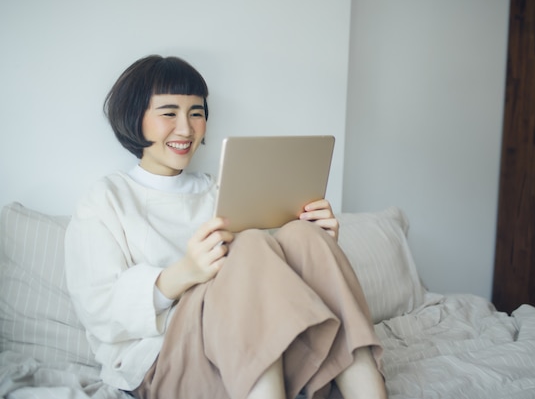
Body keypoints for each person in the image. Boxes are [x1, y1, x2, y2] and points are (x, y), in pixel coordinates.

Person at [64, 55, 387, 399]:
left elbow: (274, 281)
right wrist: (184, 273)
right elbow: (98, 308)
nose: (186, 129)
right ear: (135, 116)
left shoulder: (221, 189)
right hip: (162, 362)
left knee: (303, 235)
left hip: (242, 344)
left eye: (197, 113)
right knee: (247, 245)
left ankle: (368, 392)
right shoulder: (106, 199)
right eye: (169, 113)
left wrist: (321, 247)